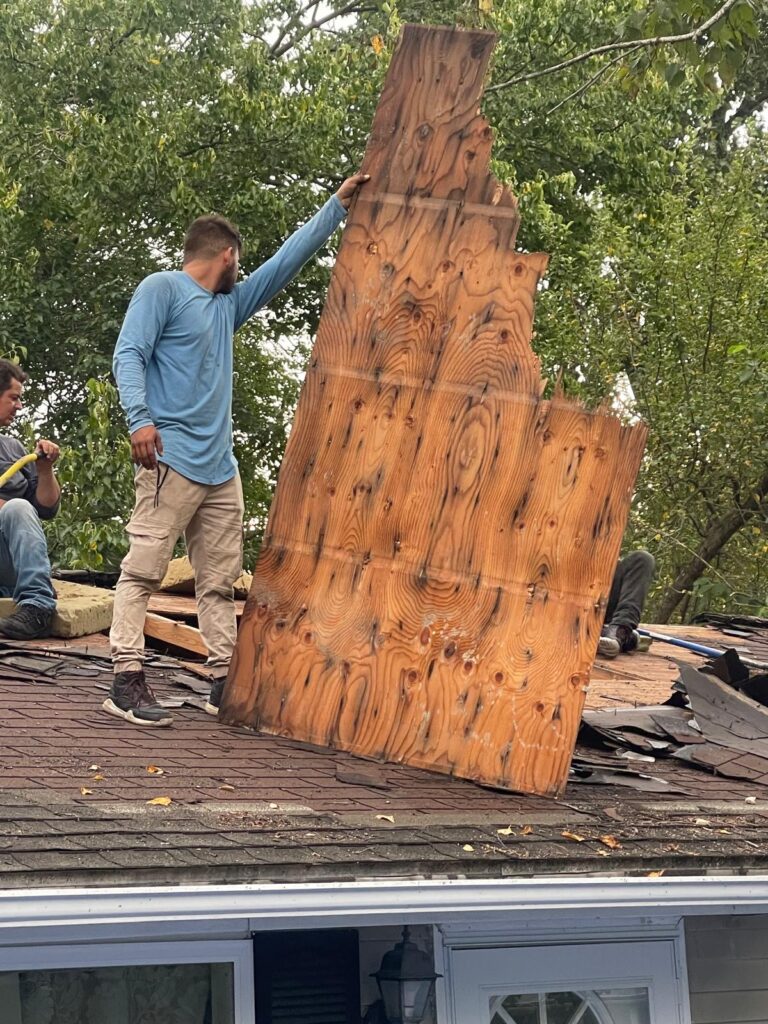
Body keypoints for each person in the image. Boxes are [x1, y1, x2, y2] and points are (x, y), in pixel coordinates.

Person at [105, 172, 369, 727]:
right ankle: (126, 678)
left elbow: (283, 265)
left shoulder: (228, 307)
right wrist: (140, 421)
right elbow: (128, 355)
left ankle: (224, 680)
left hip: (220, 470)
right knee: (143, 571)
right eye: (239, 262)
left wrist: (335, 207)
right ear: (226, 255)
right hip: (169, 459)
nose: (243, 271)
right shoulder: (162, 290)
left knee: (220, 579)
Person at [0, 360, 60, 639]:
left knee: (20, 508)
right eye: (14, 398)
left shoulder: (14, 449)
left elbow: (45, 509)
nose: (20, 406)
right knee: (15, 507)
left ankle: (37, 607)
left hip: (6, 568)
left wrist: (45, 468)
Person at [598, 549, 656, 658]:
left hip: (599, 595)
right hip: (566, 606)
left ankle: (619, 631)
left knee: (643, 558)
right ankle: (622, 638)